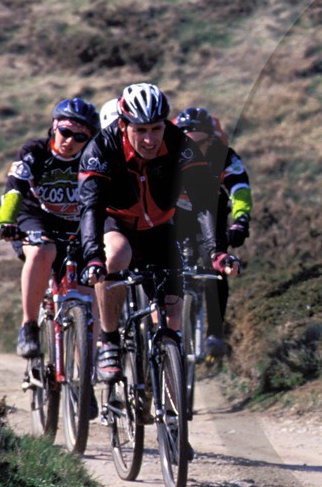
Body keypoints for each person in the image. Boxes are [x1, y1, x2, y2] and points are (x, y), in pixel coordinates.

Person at [77, 82, 238, 383]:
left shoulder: (180, 144)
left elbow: (204, 203)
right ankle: (109, 341)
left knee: (171, 317)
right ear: (123, 125)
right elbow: (91, 208)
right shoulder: (101, 148)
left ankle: (163, 378)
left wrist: (216, 251)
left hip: (161, 227)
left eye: (156, 128)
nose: (150, 139)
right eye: (141, 130)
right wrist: (93, 258)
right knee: (117, 255)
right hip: (116, 222)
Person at [0, 98, 101, 357]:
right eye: (65, 132)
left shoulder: (92, 159)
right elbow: (14, 187)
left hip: (76, 224)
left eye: (79, 137)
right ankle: (29, 327)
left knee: (90, 290)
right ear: (54, 127)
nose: (70, 141)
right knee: (44, 251)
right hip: (34, 217)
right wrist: (6, 220)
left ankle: (86, 379)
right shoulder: (35, 151)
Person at [172, 105, 254, 357]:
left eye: (201, 142)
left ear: (213, 139)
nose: (194, 148)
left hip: (211, 213)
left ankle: (214, 333)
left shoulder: (225, 156)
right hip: (174, 214)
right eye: (187, 141)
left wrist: (240, 220)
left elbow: (239, 189)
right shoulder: (166, 154)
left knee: (215, 268)